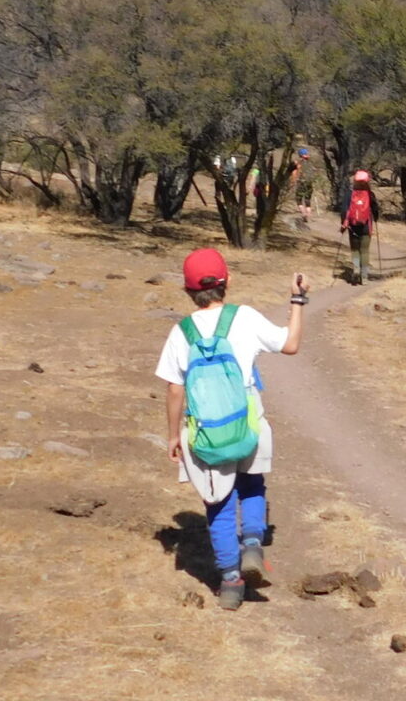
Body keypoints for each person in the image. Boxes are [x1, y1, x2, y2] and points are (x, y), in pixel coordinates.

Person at [154, 247, 309, 610]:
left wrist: (174, 435)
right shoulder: (245, 318)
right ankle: (253, 544)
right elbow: (291, 344)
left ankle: (230, 583)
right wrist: (298, 299)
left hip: (205, 431)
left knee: (218, 503)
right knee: (252, 483)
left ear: (188, 290)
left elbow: (175, 388)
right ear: (228, 282)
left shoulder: (182, 332)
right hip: (248, 422)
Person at [340, 169, 378, 285]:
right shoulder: (370, 194)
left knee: (355, 250)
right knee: (365, 251)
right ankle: (364, 276)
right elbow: (375, 210)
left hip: (353, 226)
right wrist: (375, 218)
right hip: (366, 227)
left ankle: (356, 269)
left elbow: (344, 210)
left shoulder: (349, 194)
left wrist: (343, 223)